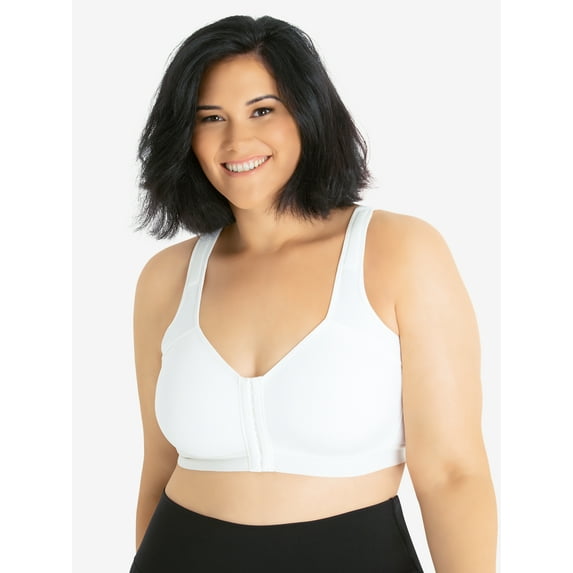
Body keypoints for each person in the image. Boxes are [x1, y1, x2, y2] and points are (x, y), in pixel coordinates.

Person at [129, 14, 497, 573]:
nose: (236, 140)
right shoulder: (166, 278)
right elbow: (158, 467)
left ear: (308, 114)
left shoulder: (398, 252)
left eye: (262, 110)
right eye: (211, 117)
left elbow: (453, 474)